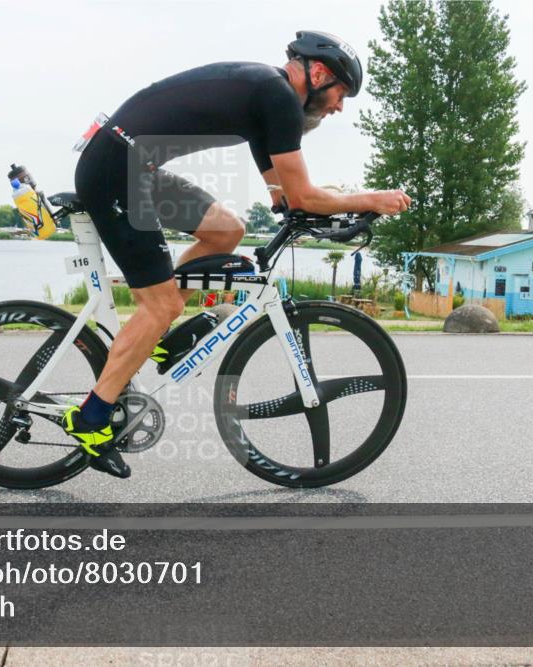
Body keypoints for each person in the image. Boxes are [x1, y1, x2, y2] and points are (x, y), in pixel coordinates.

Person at [66, 30, 412, 478]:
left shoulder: (266, 97)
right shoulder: (278, 97)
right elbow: (304, 195)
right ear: (319, 75)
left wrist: (329, 208)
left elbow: (286, 196)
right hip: (117, 171)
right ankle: (90, 418)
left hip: (133, 165)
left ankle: (157, 339)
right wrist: (370, 199)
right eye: (341, 94)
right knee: (160, 304)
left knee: (226, 230)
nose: (339, 107)